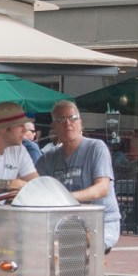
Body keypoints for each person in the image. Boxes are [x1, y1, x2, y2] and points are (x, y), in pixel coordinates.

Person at [37, 100, 122, 251]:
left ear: (81, 123)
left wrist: (66, 197)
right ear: (54, 127)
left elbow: (102, 189)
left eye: (73, 118)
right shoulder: (47, 159)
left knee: (82, 251)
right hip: (62, 225)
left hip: (100, 223)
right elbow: (35, 190)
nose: (68, 123)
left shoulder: (96, 147)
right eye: (61, 120)